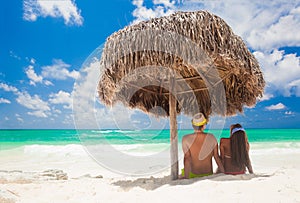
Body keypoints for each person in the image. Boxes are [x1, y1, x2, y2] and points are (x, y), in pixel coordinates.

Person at [181, 113, 224, 179]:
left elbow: (187, 158)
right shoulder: (212, 137)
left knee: (182, 172)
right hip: (208, 173)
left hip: (193, 174)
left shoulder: (185, 138)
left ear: (193, 125)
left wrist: (186, 177)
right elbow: (216, 157)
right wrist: (223, 172)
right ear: (204, 125)